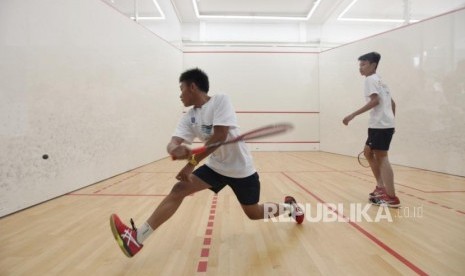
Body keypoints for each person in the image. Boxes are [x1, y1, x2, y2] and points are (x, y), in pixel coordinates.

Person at [110, 68, 304, 258]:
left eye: (181, 89)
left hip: (241, 170)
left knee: (253, 213)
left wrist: (191, 162)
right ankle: (137, 239)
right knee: (179, 189)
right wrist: (174, 149)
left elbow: (220, 135)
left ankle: (290, 208)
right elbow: (174, 141)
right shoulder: (189, 117)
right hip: (216, 167)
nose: (180, 95)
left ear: (192, 87)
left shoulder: (220, 100)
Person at [343, 52, 400, 208]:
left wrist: (352, 115)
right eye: (359, 65)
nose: (360, 68)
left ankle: (391, 197)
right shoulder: (380, 81)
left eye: (363, 64)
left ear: (373, 65)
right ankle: (381, 187)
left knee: (382, 158)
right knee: (368, 152)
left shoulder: (370, 80)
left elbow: (375, 101)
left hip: (380, 125)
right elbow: (392, 103)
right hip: (381, 125)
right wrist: (391, 123)